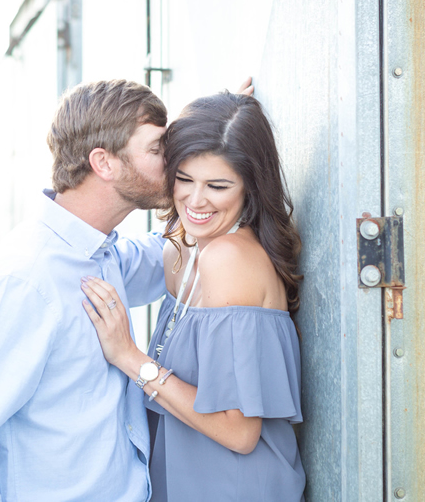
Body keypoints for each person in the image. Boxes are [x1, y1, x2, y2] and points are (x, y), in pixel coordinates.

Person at [0, 79, 172, 501]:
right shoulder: (22, 281)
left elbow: (166, 258)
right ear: (104, 163)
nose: (173, 161)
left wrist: (214, 141)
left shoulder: (101, 253)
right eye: (158, 149)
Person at [81, 91, 306, 501]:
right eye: (184, 179)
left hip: (233, 488)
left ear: (250, 187)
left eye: (218, 186)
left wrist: (130, 358)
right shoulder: (183, 245)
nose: (196, 200)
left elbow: (238, 432)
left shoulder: (229, 258)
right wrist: (216, 119)